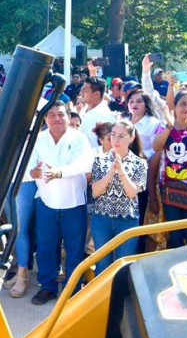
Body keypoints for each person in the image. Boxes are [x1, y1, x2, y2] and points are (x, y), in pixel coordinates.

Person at [26, 102, 92, 304]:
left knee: (75, 248)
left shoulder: (79, 138)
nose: (56, 118)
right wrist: (33, 172)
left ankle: (73, 290)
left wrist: (59, 172)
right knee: (46, 247)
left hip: (74, 203)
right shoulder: (39, 139)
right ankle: (48, 287)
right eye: (52, 115)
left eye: (61, 114)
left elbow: (83, 164)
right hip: (46, 202)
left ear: (68, 117)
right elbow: (28, 164)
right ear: (45, 119)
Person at [149, 90, 187, 249]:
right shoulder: (163, 126)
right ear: (175, 106)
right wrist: (169, 126)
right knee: (175, 233)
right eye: (183, 104)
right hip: (170, 188)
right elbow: (156, 147)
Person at [89, 119, 146, 274]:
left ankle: (119, 291)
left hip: (127, 221)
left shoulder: (140, 163)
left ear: (131, 138)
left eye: (121, 136)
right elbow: (95, 191)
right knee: (102, 265)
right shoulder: (100, 159)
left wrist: (121, 170)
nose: (116, 139)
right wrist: (111, 172)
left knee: (123, 266)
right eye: (113, 134)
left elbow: (132, 192)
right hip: (102, 219)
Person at [78, 77, 117, 150]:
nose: (81, 93)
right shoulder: (84, 109)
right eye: (82, 89)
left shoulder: (106, 116)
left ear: (96, 94)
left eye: (85, 90)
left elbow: (108, 146)